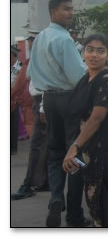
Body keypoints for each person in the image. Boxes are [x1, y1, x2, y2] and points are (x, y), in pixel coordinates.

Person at [26, 0, 90, 227]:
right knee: (75, 154)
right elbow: (77, 77)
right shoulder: (64, 40)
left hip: (49, 99)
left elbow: (31, 74)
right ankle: (74, 215)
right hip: (69, 99)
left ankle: (55, 198)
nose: (71, 13)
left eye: (72, 9)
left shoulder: (41, 37)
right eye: (66, 9)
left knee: (54, 154)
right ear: (54, 11)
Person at [62, 34, 108, 227]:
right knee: (93, 203)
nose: (94, 55)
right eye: (90, 50)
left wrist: (74, 146)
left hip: (104, 151)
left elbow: (96, 117)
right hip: (88, 150)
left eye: (100, 50)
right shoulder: (86, 78)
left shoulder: (106, 79)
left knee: (104, 204)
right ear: (83, 53)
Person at [12, 29, 50, 200]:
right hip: (40, 105)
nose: (30, 43)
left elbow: (26, 85)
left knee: (38, 146)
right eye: (29, 40)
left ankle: (29, 183)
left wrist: (41, 107)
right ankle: (44, 181)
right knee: (50, 147)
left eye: (32, 40)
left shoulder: (38, 61)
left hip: (42, 105)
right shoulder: (35, 60)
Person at [11, 44, 23, 154]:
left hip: (15, 98)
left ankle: (13, 147)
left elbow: (20, 85)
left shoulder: (20, 67)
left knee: (13, 123)